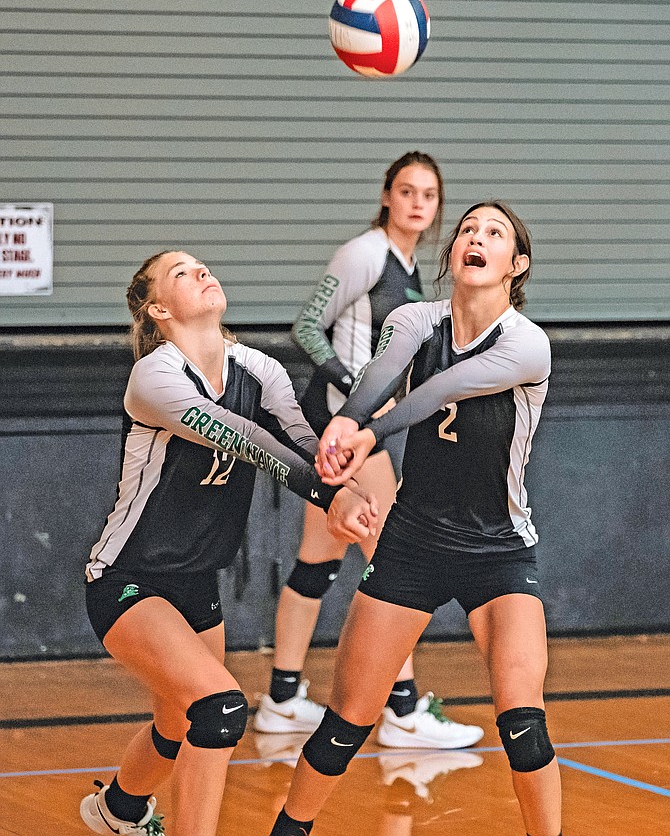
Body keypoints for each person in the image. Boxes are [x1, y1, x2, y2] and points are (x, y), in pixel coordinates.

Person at [269, 202, 562, 836]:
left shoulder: (525, 343)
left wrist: (367, 435)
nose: (475, 239)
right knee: (347, 721)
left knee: (523, 723)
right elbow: (380, 377)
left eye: (494, 234)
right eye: (467, 231)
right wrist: (347, 420)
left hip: (498, 548)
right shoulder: (413, 319)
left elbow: (437, 392)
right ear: (452, 255)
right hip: (413, 543)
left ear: (518, 265)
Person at [79, 250, 377, 836]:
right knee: (219, 709)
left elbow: (300, 442)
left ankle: (116, 811)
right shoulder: (156, 376)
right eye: (182, 273)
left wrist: (344, 474)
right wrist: (329, 498)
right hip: (126, 578)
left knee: (180, 721)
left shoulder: (259, 370)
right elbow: (247, 439)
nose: (203, 272)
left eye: (202, 265)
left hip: (196, 580)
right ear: (159, 308)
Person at [253, 152, 483, 750]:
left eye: (428, 195)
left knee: (317, 558)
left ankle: (281, 698)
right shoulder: (364, 253)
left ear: (436, 207)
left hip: (361, 429)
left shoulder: (409, 268)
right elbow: (307, 324)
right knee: (394, 561)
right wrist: (348, 387)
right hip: (341, 427)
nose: (416, 202)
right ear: (387, 195)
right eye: (405, 190)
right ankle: (403, 711)